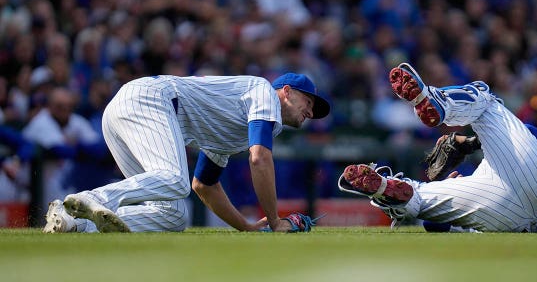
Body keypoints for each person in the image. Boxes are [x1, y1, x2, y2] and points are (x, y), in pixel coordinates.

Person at [43, 72, 330, 233]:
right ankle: (88, 198)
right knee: (173, 179)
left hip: (125, 109)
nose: (310, 112)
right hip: (150, 99)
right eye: (309, 102)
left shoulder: (237, 125)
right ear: (287, 92)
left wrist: (246, 227)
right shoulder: (265, 93)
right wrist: (276, 220)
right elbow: (259, 158)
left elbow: (204, 185)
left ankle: (73, 223)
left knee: (174, 215)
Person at [339, 63, 537, 233]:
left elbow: (433, 223)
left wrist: (445, 182)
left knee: (420, 197)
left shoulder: (483, 177)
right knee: (485, 99)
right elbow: (531, 133)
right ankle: (435, 100)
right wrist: (471, 143)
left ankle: (390, 191)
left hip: (501, 217)